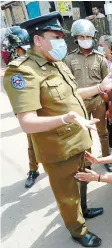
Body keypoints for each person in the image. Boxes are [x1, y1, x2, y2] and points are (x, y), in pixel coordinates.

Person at [4, 12, 112, 247]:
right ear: (38, 39)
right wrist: (66, 118)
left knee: (83, 181)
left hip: (79, 138)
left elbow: (72, 95)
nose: (62, 41)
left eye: (62, 36)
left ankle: (84, 210)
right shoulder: (22, 71)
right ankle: (78, 230)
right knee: (67, 194)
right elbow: (27, 122)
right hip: (58, 147)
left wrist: (100, 86)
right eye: (55, 36)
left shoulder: (56, 63)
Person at [64, 19, 112, 172]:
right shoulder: (69, 59)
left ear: (93, 38)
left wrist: (108, 104)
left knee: (103, 132)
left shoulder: (100, 58)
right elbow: (67, 85)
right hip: (80, 102)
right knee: (84, 134)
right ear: (76, 38)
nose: (85, 40)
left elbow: (107, 82)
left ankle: (106, 159)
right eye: (81, 37)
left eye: (88, 37)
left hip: (98, 101)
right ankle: (87, 163)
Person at [2, 26, 41, 188]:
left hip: (44, 107)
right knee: (32, 142)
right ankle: (34, 169)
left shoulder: (38, 60)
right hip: (31, 108)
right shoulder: (16, 67)